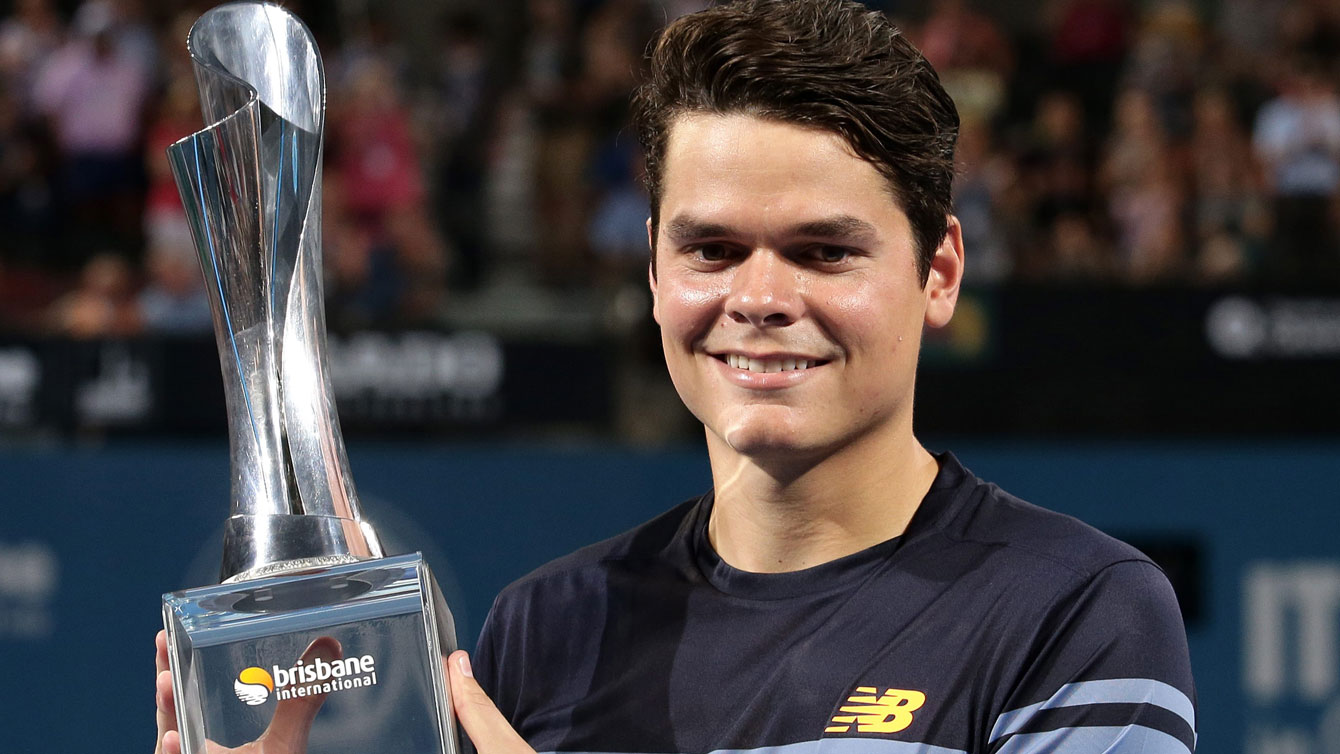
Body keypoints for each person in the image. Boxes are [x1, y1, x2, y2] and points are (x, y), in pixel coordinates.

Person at [154, 1, 1196, 753]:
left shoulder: (1074, 610)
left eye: (824, 251)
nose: (759, 295)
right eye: (710, 249)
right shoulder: (548, 624)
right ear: (652, 271)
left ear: (937, 273)